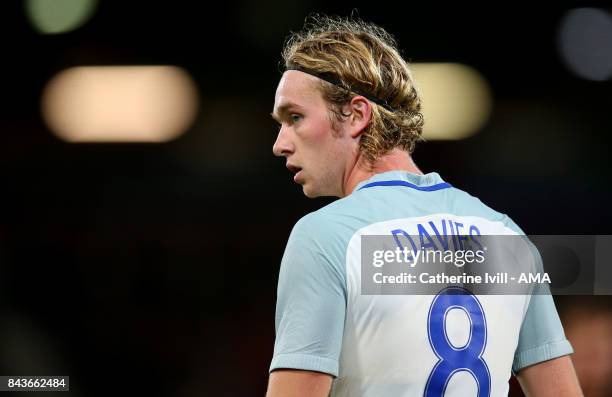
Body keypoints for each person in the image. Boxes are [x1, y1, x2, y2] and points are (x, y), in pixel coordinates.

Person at [266, 15, 582, 397]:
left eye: (294, 117)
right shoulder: (505, 235)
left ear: (356, 114)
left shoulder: (325, 238)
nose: (280, 144)